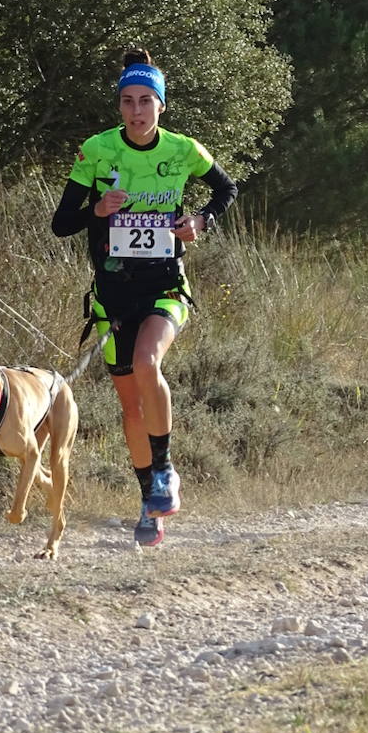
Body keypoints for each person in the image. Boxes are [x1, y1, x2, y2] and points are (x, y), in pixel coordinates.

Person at [51, 48, 237, 546]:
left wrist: (200, 220)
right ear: (119, 108)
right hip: (112, 296)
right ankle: (149, 504)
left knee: (147, 363)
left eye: (146, 102)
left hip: (165, 285)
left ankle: (166, 470)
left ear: (161, 107)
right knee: (131, 408)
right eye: (128, 102)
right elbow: (60, 224)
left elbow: (226, 189)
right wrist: (97, 209)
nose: (136, 111)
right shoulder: (96, 151)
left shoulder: (183, 150)